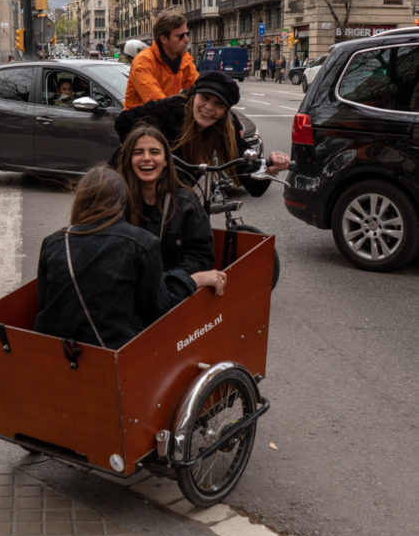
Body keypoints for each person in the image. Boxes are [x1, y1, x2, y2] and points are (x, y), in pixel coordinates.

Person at [34, 166, 197, 350]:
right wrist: (190, 280)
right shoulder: (143, 243)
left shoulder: (53, 242)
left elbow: (45, 302)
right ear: (123, 201)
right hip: (114, 351)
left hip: (57, 350)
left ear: (80, 201)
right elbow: (158, 311)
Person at [115, 70, 290, 199]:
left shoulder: (226, 128)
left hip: (183, 198)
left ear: (224, 112)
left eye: (218, 104)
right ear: (194, 96)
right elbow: (122, 122)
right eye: (205, 98)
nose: (208, 108)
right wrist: (150, 153)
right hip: (138, 189)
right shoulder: (170, 110)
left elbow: (251, 181)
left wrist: (269, 169)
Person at [117, 124, 226, 294]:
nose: (147, 158)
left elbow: (200, 256)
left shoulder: (186, 203)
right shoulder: (117, 201)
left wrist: (166, 281)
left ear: (166, 160)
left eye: (154, 152)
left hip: (173, 293)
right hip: (127, 290)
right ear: (128, 160)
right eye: (138, 152)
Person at [123, 11, 199, 109]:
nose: (187, 39)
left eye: (187, 34)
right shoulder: (143, 62)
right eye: (180, 36)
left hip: (164, 117)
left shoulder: (184, 59)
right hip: (138, 120)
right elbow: (156, 101)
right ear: (163, 39)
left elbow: (198, 88)